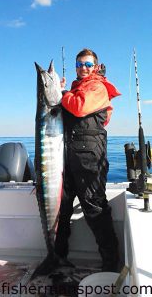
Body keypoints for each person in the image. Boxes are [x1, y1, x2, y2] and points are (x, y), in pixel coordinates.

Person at [53, 48, 121, 272]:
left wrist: (63, 92)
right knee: (60, 209)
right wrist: (59, 92)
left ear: (96, 66)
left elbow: (79, 107)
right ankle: (57, 258)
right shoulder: (76, 88)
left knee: (94, 208)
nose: (83, 68)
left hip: (89, 157)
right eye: (79, 64)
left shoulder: (97, 86)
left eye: (88, 64)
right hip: (66, 156)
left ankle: (110, 265)